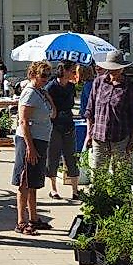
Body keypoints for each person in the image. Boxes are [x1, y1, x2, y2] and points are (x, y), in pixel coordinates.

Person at [10, 61, 55, 235]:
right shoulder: (29, 93)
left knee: (34, 182)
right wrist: (30, 147)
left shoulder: (40, 92)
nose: (46, 79)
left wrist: (48, 96)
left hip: (41, 139)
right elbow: (23, 122)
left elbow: (54, 113)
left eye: (47, 76)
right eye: (43, 75)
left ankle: (34, 218)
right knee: (24, 182)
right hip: (30, 140)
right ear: (33, 75)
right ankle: (21, 221)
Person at [84, 50, 133, 171]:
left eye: (117, 68)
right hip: (99, 136)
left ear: (122, 68)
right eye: (111, 68)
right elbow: (90, 110)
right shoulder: (98, 82)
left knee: (120, 175)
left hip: (120, 136)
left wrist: (132, 140)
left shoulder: (129, 85)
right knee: (97, 174)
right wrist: (89, 133)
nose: (113, 71)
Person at [46, 61, 80, 200]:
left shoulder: (71, 87)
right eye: (72, 71)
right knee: (53, 156)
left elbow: (71, 104)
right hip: (54, 125)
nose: (74, 74)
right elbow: (47, 106)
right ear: (64, 71)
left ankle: (75, 190)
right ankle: (53, 188)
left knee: (71, 156)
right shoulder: (51, 87)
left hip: (68, 124)